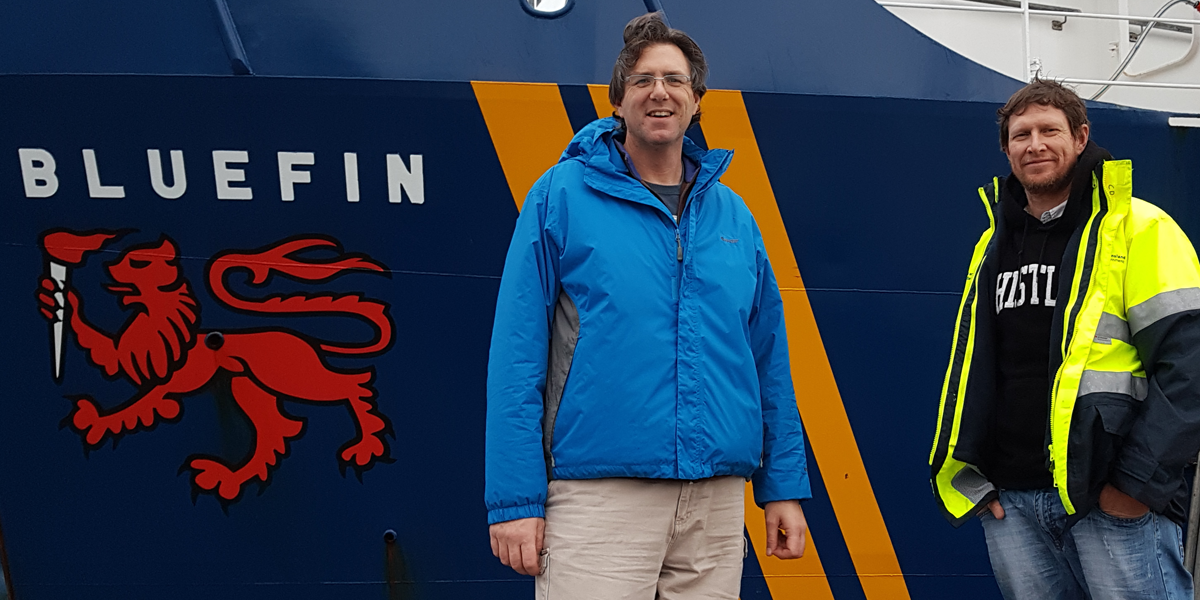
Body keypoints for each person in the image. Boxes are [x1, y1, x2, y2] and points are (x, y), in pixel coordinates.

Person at [484, 11, 811, 599]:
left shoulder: (734, 214)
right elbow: (516, 355)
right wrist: (515, 501)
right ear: (617, 101)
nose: (659, 92)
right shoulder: (561, 196)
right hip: (598, 497)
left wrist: (781, 485)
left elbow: (767, 361)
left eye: (674, 80)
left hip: (713, 502)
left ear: (696, 101)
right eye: (642, 80)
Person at [930, 78, 1200, 600]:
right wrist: (982, 483)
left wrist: (1133, 488)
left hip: (1110, 500)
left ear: (1080, 137)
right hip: (1013, 502)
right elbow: (978, 370)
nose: (1035, 144)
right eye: (1021, 134)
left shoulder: (1140, 228)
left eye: (1049, 130)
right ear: (1006, 149)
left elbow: (1190, 366)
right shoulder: (992, 244)